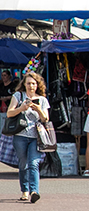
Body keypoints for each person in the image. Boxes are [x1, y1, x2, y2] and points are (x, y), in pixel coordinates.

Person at [8, 71, 50, 203]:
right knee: (23, 164)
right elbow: (9, 113)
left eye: (33, 84)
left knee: (34, 163)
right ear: (24, 84)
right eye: (28, 83)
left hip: (35, 137)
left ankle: (34, 191)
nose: (31, 86)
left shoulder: (42, 100)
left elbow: (45, 118)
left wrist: (38, 109)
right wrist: (22, 108)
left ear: (37, 85)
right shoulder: (18, 95)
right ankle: (24, 190)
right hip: (20, 135)